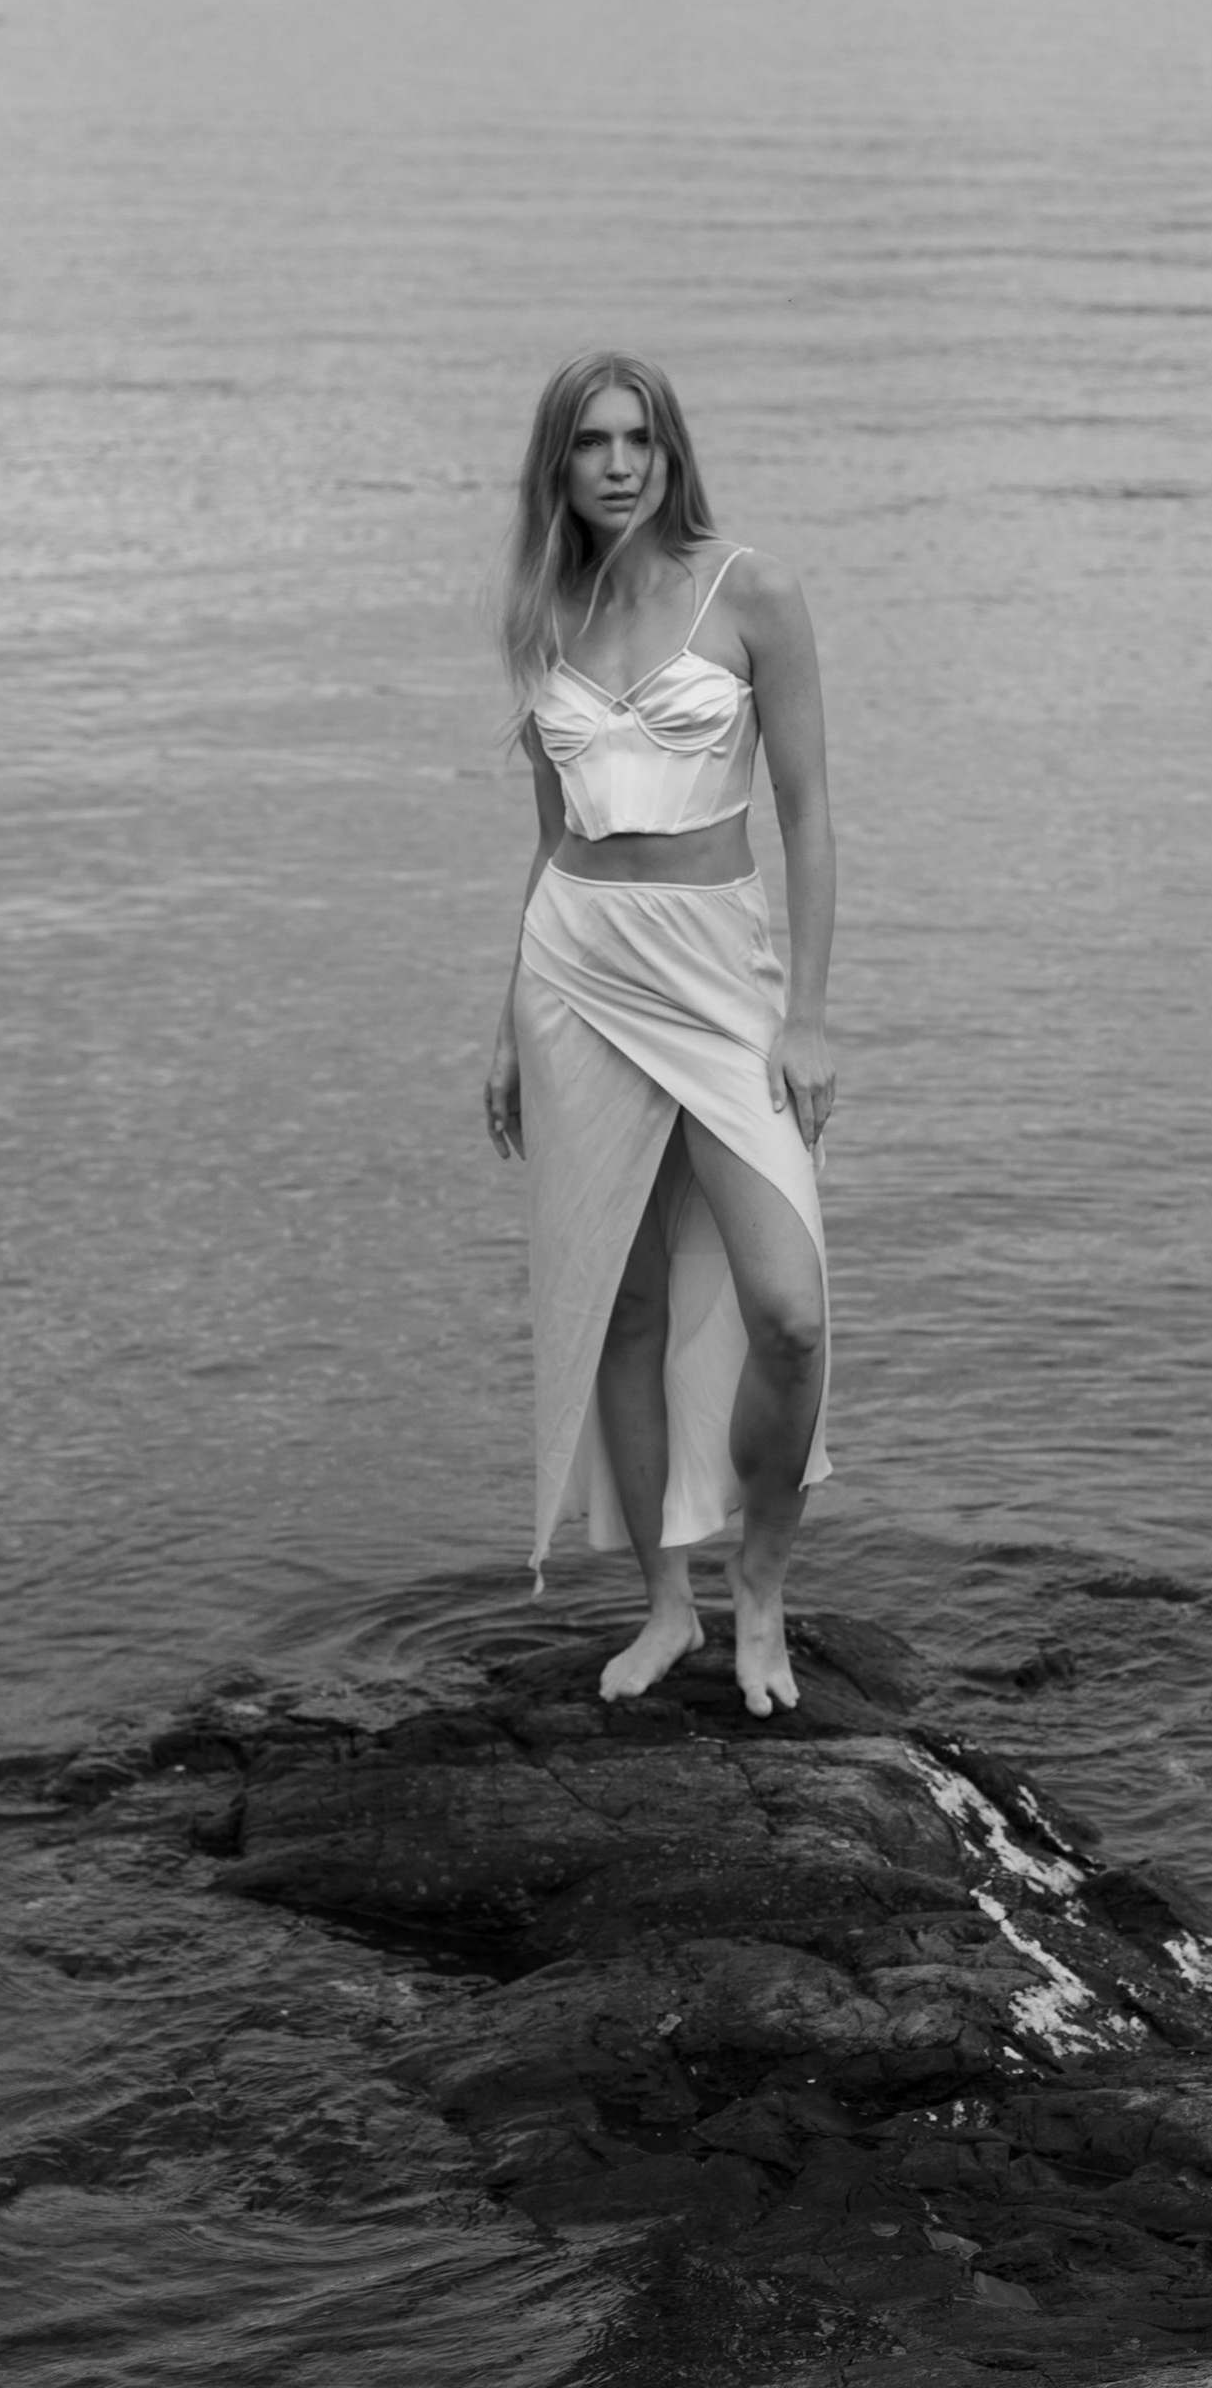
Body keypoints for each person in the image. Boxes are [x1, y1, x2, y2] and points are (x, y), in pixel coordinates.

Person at [482, 352, 836, 1718]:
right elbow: (552, 841)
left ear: (672, 450)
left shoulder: (753, 591)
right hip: (574, 975)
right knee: (619, 1304)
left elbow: (806, 814)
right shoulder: (545, 615)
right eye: (591, 443)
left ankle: (762, 1586)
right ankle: (668, 1607)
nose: (619, 464)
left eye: (639, 438)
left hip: (721, 977)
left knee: (789, 1313)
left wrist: (808, 1016)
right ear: (559, 466)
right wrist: (503, 1028)